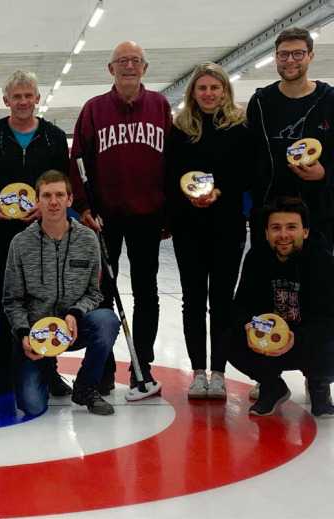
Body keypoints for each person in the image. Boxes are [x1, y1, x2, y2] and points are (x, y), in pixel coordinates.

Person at [68, 40, 170, 400]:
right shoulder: (94, 109)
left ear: (145, 67)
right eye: (122, 61)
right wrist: (82, 206)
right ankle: (104, 369)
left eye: (135, 60)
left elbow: (172, 161)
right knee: (101, 295)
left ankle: (143, 366)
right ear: (111, 69)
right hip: (104, 219)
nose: (129, 66)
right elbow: (77, 161)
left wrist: (168, 211)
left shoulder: (160, 106)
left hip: (147, 217)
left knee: (147, 294)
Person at [0, 70, 71, 396]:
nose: (23, 101)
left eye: (29, 95)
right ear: (6, 101)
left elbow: (63, 183)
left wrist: (46, 207)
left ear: (37, 98)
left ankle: (49, 369)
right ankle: (5, 370)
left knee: (47, 299)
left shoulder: (55, 137)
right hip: (2, 234)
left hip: (47, 231)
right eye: (17, 96)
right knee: (6, 299)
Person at [3, 171, 120, 416]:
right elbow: (12, 299)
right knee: (32, 405)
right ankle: (46, 368)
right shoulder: (20, 243)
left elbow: (93, 293)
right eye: (46, 196)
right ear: (37, 200)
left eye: (59, 195)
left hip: (73, 327)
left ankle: (85, 388)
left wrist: (75, 313)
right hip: (37, 333)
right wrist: (24, 334)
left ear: (70, 199)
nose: (53, 202)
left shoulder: (88, 239)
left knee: (107, 321)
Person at [167, 63, 250, 399]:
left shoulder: (240, 126)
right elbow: (171, 174)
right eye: (202, 88)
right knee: (192, 301)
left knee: (222, 302)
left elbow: (246, 173)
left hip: (227, 226)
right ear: (193, 92)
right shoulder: (180, 128)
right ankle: (198, 372)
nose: (208, 93)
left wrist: (220, 192)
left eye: (214, 87)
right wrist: (186, 197)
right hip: (190, 227)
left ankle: (219, 372)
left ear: (224, 90)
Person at [225, 197, 334, 418]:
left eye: (291, 227)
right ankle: (272, 385)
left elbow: (329, 319)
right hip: (268, 339)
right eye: (276, 228)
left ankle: (319, 386)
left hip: (307, 342)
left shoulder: (322, 260)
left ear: (305, 231)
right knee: (228, 341)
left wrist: (298, 338)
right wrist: (250, 327)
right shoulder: (257, 257)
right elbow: (240, 307)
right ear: (266, 233)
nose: (283, 234)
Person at [247, 27, 334, 249]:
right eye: (283, 54)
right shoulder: (259, 102)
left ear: (311, 56)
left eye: (298, 53)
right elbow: (246, 154)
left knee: (316, 283)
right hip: (268, 217)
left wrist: (324, 174)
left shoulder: (329, 101)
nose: (290, 60)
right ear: (276, 57)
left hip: (315, 217)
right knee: (265, 283)